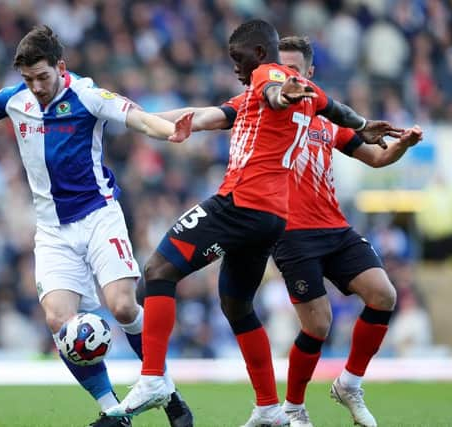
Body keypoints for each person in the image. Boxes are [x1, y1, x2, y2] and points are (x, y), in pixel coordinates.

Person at [0, 25, 194, 427]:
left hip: (99, 217)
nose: (37, 87)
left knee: (122, 305)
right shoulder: (15, 99)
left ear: (61, 67)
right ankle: (114, 411)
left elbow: (141, 120)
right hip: (52, 231)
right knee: (59, 322)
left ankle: (163, 386)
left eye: (43, 77)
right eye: (29, 79)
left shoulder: (88, 95)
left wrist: (172, 133)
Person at [105, 19, 399, 427]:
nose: (236, 68)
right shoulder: (297, 99)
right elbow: (333, 110)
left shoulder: (268, 76)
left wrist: (281, 91)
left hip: (241, 203)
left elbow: (275, 92)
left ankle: (154, 377)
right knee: (237, 304)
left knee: (158, 270)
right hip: (273, 219)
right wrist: (133, 116)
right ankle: (269, 407)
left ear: (261, 54)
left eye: (238, 59)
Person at [273, 36, 423, 427]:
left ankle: (349, 384)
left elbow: (375, 156)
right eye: (281, 68)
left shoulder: (328, 119)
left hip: (334, 226)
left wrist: (402, 145)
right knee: (318, 325)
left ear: (311, 74)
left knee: (384, 294)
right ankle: (293, 409)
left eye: (295, 69)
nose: (288, 76)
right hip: (292, 232)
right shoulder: (268, 113)